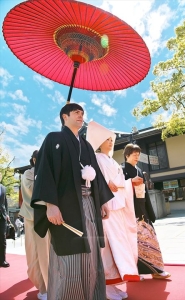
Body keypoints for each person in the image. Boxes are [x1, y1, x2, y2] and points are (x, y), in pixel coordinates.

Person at [31, 103, 114, 300]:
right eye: (76, 112)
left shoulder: (85, 145)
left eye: (82, 113)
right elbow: (44, 172)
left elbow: (97, 176)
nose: (81, 115)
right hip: (65, 207)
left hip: (89, 205)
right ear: (64, 116)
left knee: (92, 252)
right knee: (69, 257)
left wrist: (102, 201)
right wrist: (50, 205)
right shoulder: (54, 139)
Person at [87, 121, 140, 300]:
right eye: (106, 139)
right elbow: (100, 182)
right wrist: (109, 185)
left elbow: (116, 183)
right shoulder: (97, 159)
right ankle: (106, 287)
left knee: (119, 244)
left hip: (119, 206)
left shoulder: (112, 161)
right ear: (99, 142)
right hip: (108, 206)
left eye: (111, 139)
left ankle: (116, 284)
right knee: (108, 246)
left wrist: (125, 184)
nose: (110, 142)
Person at [123, 143, 171, 279]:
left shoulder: (139, 170)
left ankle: (156, 270)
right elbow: (118, 189)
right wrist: (130, 182)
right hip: (131, 211)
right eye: (134, 155)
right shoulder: (121, 170)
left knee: (150, 240)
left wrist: (150, 211)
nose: (137, 157)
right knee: (135, 243)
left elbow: (146, 193)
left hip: (142, 208)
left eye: (138, 155)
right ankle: (137, 271)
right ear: (127, 155)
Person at [20, 150, 49, 300]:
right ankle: (42, 288)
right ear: (34, 160)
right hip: (32, 217)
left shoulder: (48, 172)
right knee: (35, 254)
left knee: (47, 254)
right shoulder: (28, 173)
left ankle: (49, 285)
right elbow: (32, 192)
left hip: (47, 217)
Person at [0, 172, 10, 268]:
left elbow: (5, 202)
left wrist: (7, 214)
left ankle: (3, 260)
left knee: (2, 239)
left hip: (2, 217)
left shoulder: (3, 188)